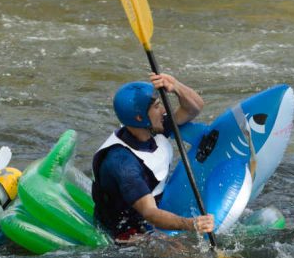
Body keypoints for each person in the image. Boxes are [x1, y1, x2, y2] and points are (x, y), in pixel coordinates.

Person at [91, 73, 215, 243]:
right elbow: (150, 213)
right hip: (126, 230)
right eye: (157, 107)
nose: (163, 110)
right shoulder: (123, 164)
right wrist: (191, 224)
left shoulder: (153, 127)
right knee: (188, 255)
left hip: (151, 208)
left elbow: (194, 107)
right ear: (140, 118)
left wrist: (175, 86)